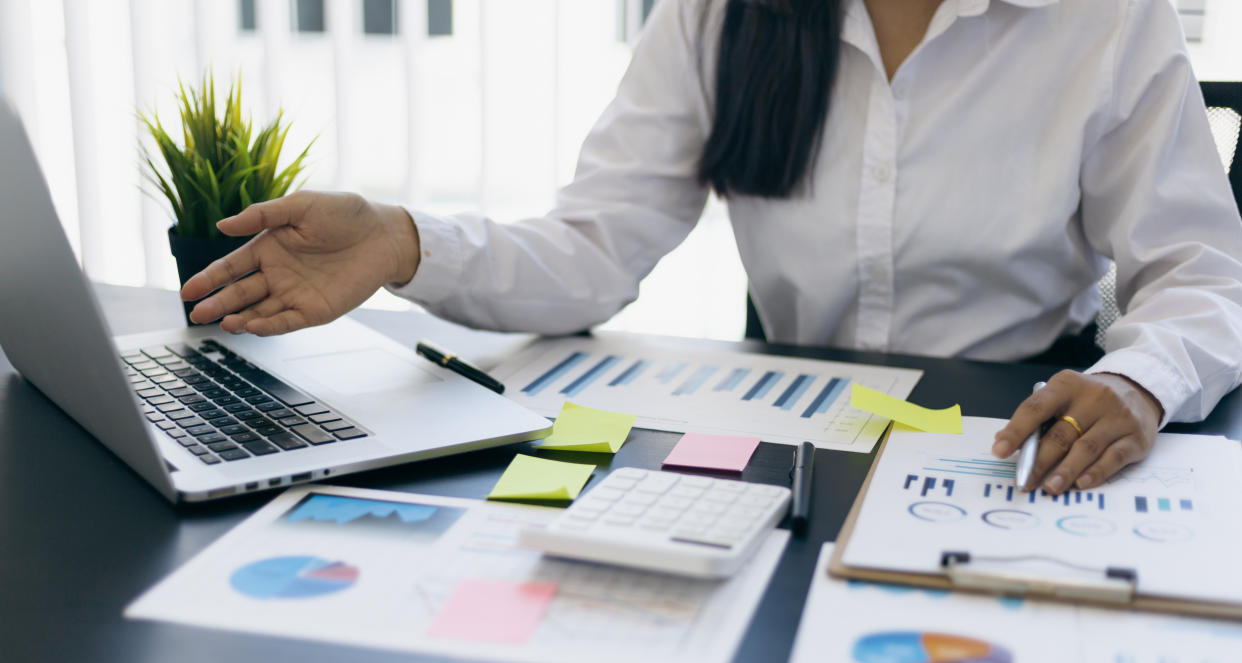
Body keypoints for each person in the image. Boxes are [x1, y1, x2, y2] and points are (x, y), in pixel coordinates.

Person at [180, 0, 1242, 495]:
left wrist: (1141, 383)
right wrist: (402, 243)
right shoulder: (724, 13)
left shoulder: (1107, 20)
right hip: (796, 444)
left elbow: (1199, 274)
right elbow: (596, 248)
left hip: (1011, 431)